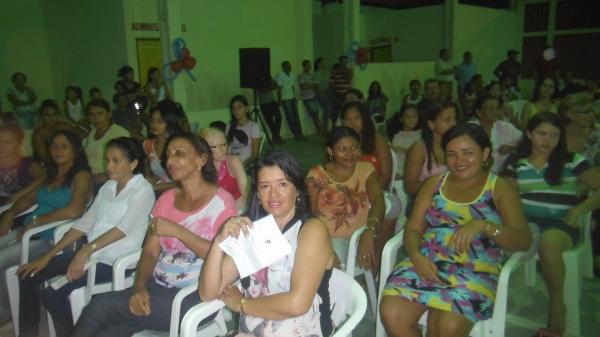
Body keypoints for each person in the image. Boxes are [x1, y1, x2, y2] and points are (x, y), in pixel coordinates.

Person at [71, 133, 237, 337]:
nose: (170, 161)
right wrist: (139, 287)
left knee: (100, 306)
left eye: (179, 153)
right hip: (155, 287)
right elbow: (149, 252)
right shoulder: (165, 200)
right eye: (168, 155)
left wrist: (178, 231)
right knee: (107, 332)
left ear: (201, 159)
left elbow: (223, 259)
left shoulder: (221, 202)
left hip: (193, 296)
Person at [380, 123, 531, 337]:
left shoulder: (499, 187)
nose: (459, 161)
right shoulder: (434, 184)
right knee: (392, 312)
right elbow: (413, 228)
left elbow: (523, 240)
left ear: (485, 152)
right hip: (427, 262)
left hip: (475, 271)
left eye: (468, 153)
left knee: (445, 326)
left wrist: (484, 226)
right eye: (452, 154)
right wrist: (416, 257)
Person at [16, 137, 154, 337]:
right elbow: (85, 222)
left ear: (133, 163)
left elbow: (123, 229)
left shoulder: (143, 191)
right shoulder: (108, 187)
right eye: (107, 160)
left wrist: (85, 250)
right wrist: (48, 255)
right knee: (28, 274)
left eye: (116, 161)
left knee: (53, 294)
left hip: (113, 263)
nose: (108, 166)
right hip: (91, 256)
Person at [200, 151, 335, 337]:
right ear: (258, 194)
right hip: (256, 328)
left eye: (283, 184)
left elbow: (297, 304)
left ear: (297, 189)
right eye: (265, 186)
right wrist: (218, 242)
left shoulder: (312, 230)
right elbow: (208, 292)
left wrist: (242, 305)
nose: (273, 195)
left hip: (303, 329)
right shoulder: (254, 231)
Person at [503, 112, 600, 337]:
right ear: (529, 134)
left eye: (554, 135)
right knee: (495, 240)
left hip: (561, 222)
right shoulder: (517, 163)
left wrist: (579, 209)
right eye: (542, 134)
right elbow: (507, 197)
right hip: (527, 222)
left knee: (548, 245)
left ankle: (557, 313)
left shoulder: (572, 159)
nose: (547, 140)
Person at [0, 130, 92, 326]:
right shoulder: (51, 174)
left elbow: (74, 211)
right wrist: (9, 215)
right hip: (28, 231)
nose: (57, 150)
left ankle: (5, 311)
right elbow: (29, 199)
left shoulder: (81, 175)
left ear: (75, 150)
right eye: (54, 146)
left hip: (49, 238)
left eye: (63, 146)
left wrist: (36, 221)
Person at [306, 126, 385, 270]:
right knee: (332, 265)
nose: (350, 154)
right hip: (328, 237)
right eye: (342, 149)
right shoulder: (317, 174)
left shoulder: (366, 169)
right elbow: (310, 213)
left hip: (359, 235)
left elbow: (379, 200)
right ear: (330, 151)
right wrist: (324, 243)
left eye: (354, 148)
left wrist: (369, 230)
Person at [404, 102, 457, 196]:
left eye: (454, 119)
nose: (453, 124)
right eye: (447, 120)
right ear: (431, 124)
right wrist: (443, 186)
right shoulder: (419, 149)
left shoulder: (458, 146)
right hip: (426, 204)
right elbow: (410, 187)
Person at [341, 101, 392, 188]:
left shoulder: (378, 140)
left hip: (376, 191)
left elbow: (385, 176)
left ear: (365, 119)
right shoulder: (339, 143)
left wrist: (369, 195)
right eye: (348, 119)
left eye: (357, 118)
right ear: (343, 122)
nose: (352, 123)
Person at [469, 95, 522, 174]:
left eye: (497, 108)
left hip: (503, 174)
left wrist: (511, 148)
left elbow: (526, 142)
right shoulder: (469, 128)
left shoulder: (506, 127)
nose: (495, 112)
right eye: (491, 109)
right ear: (479, 112)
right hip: (476, 173)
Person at [82, 99, 130, 187]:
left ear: (109, 114)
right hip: (89, 179)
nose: (96, 118)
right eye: (92, 114)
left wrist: (107, 175)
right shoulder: (92, 132)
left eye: (100, 114)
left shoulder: (119, 133)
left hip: (109, 180)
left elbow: (127, 161)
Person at [198, 127, 248, 209]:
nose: (223, 149)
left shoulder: (233, 161)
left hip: (236, 208)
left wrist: (227, 213)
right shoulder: (199, 167)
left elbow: (245, 194)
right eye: (218, 146)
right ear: (205, 149)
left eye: (224, 144)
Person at [143, 103, 185, 192]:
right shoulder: (148, 144)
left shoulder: (179, 144)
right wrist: (148, 181)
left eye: (160, 121)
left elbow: (184, 180)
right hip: (159, 189)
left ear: (170, 123)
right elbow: (159, 175)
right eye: (152, 121)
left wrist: (156, 186)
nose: (154, 125)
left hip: (181, 191)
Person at [0, 123, 44, 207]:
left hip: (19, 208)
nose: (2, 146)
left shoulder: (27, 163)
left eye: (7, 142)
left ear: (19, 144)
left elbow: (45, 177)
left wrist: (19, 194)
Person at [32, 100, 86, 166]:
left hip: (66, 160)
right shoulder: (39, 134)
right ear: (41, 116)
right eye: (47, 114)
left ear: (58, 115)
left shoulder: (63, 126)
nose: (51, 118)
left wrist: (74, 146)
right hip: (48, 164)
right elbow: (46, 158)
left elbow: (82, 133)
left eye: (54, 114)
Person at [226, 95, 262, 166]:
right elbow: (226, 149)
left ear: (247, 109)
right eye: (233, 108)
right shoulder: (230, 125)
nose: (236, 111)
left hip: (246, 164)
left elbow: (254, 155)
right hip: (231, 162)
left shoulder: (253, 126)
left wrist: (242, 166)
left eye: (239, 107)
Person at [389, 104, 422, 179]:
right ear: (401, 119)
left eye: (415, 116)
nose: (412, 120)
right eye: (408, 117)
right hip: (397, 174)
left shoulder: (420, 135)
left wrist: (404, 150)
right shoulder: (397, 136)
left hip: (414, 174)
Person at [276, 61, 304, 140]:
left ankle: (300, 133)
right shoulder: (280, 75)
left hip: (292, 98)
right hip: (285, 99)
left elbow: (292, 86)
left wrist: (296, 96)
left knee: (296, 116)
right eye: (287, 66)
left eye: (290, 66)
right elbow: (279, 89)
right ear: (283, 67)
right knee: (290, 117)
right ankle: (295, 134)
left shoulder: (292, 75)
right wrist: (279, 100)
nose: (289, 67)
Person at [298, 59, 323, 134]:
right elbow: (303, 87)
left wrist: (308, 85)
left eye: (310, 65)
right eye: (308, 65)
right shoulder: (301, 75)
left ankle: (319, 130)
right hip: (307, 98)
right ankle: (320, 130)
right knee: (315, 114)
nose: (309, 66)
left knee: (316, 114)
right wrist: (311, 85)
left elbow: (317, 86)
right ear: (304, 66)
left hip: (314, 96)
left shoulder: (312, 75)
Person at [256, 77, 284, 144]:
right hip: (263, 103)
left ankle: (275, 137)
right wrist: (270, 88)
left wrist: (267, 88)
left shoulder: (269, 76)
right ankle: (276, 137)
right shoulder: (256, 78)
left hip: (272, 102)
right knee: (270, 122)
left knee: (279, 118)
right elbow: (260, 91)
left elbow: (276, 86)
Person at [329, 56, 353, 125]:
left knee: (346, 111)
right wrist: (331, 94)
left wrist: (343, 72)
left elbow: (349, 79)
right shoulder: (334, 71)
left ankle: (346, 126)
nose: (344, 63)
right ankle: (334, 127)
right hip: (337, 94)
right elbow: (331, 83)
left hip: (346, 94)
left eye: (345, 62)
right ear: (339, 62)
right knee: (335, 112)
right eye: (342, 62)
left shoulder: (349, 70)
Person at [313, 57, 332, 132]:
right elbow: (316, 86)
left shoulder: (327, 72)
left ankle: (325, 127)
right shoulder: (316, 73)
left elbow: (328, 83)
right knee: (329, 107)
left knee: (328, 109)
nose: (325, 63)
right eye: (323, 62)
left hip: (327, 93)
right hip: (320, 93)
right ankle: (324, 128)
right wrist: (322, 92)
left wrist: (328, 91)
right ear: (319, 64)